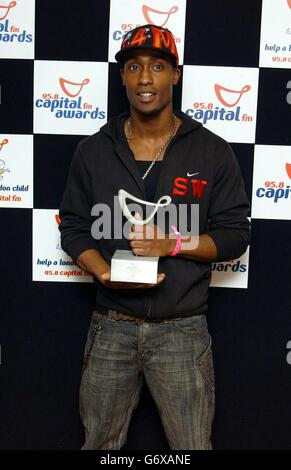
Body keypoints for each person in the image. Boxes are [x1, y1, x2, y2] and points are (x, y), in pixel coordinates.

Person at [59, 24, 250, 450]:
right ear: (123, 76)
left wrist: (174, 244)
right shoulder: (93, 150)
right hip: (111, 326)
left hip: (182, 330)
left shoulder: (212, 150)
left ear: (175, 75)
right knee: (100, 445)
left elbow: (236, 235)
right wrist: (104, 274)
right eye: (134, 67)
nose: (145, 78)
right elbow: (71, 225)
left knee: (192, 447)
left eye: (158, 67)